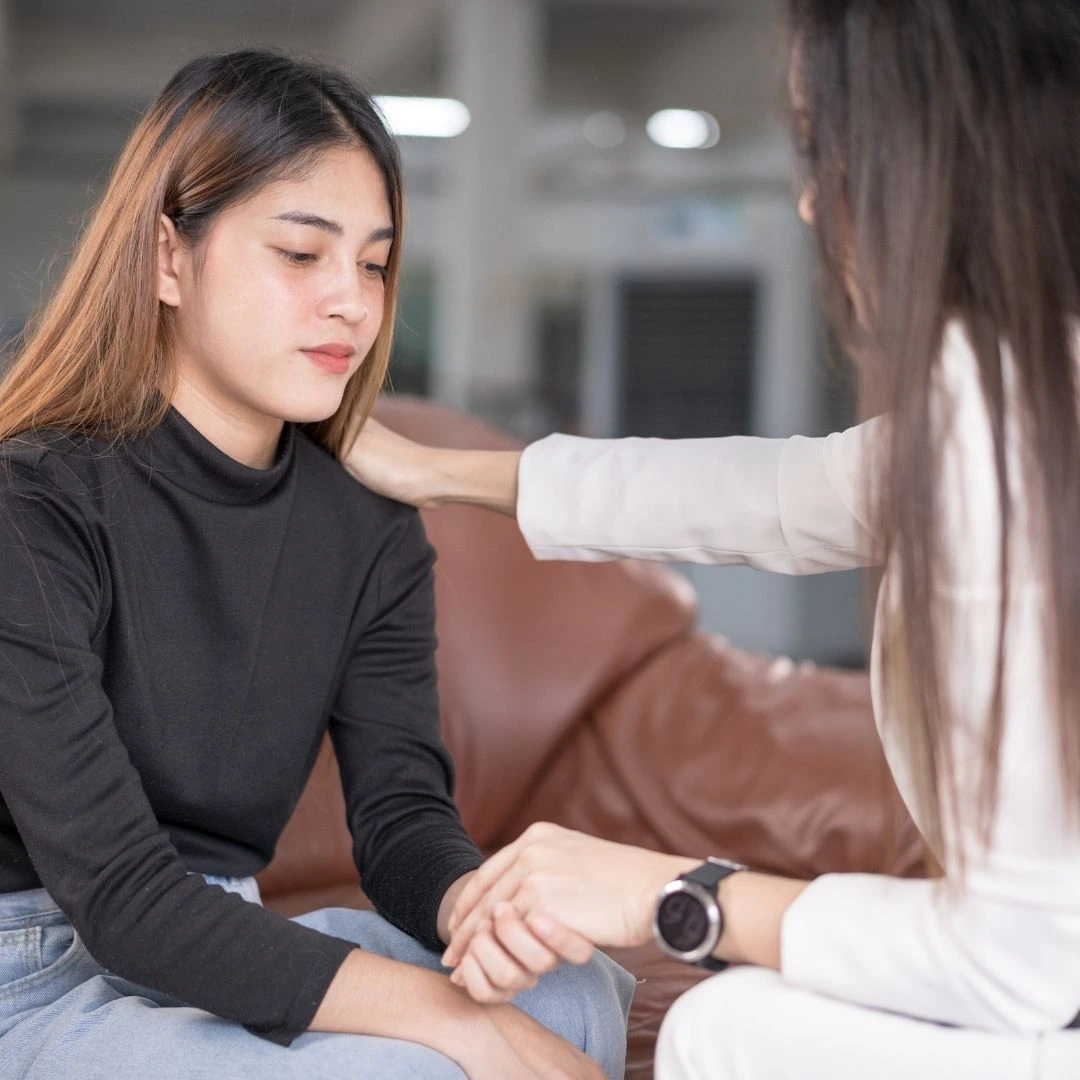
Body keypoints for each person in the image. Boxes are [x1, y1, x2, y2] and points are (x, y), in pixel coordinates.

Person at [343, 1, 1080, 1077]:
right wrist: (434, 473)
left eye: (825, 146)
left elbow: (1024, 958)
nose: (811, 199)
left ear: (932, 154)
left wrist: (672, 893)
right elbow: (775, 494)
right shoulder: (1027, 383)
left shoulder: (999, 425)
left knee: (722, 1030)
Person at [0, 49, 634, 1080]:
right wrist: (452, 1021)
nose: (353, 302)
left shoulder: (368, 524)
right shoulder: (31, 502)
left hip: (226, 937)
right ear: (167, 259)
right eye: (301, 253)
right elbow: (120, 897)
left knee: (572, 994)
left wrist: (473, 908)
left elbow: (400, 818)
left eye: (374, 264)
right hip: (34, 967)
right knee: (419, 1065)